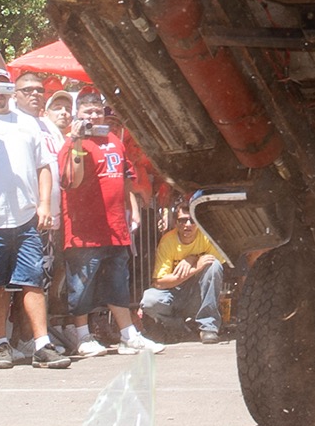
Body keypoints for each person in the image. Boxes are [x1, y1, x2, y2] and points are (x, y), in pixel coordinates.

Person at [0, 69, 70, 369]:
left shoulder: (28, 123)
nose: (1, 92)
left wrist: (44, 204)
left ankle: (42, 344)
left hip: (25, 217)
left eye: (6, 86)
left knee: (33, 282)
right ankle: (0, 342)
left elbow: (44, 165)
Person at [56, 91, 162, 356]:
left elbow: (126, 177)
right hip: (85, 231)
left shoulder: (114, 140)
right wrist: (77, 141)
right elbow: (74, 180)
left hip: (115, 228)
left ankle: (129, 335)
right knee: (82, 286)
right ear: (77, 116)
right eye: (87, 113)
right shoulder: (71, 145)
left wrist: (133, 208)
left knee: (118, 284)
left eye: (97, 112)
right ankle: (82, 336)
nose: (94, 117)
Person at [142, 205, 226, 343]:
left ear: (198, 223)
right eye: (182, 220)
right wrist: (194, 269)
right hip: (173, 294)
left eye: (192, 220)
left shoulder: (206, 237)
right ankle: (178, 326)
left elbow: (215, 266)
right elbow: (159, 282)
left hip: (196, 295)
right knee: (149, 300)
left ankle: (208, 327)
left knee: (214, 266)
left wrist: (191, 258)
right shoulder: (168, 241)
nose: (188, 225)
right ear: (176, 223)